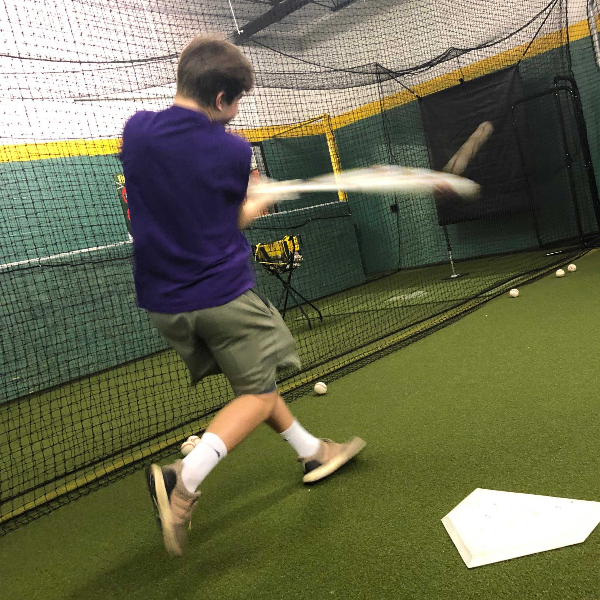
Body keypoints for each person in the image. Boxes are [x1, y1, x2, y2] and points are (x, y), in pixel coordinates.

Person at [120, 34, 365, 557]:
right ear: (220, 99)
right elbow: (233, 218)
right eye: (235, 103)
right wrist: (263, 196)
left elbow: (183, 199)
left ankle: (313, 452)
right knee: (254, 393)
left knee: (256, 381)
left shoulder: (136, 130)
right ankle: (182, 479)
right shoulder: (232, 149)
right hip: (222, 295)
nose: (235, 114)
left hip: (164, 304)